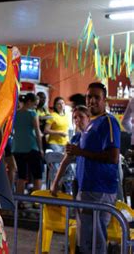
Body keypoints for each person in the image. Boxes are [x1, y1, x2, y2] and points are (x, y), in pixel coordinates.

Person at [65, 82, 120, 254]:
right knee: (86, 241)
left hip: (100, 191)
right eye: (89, 97)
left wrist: (80, 151)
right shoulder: (91, 123)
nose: (92, 101)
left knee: (96, 242)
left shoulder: (108, 122)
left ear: (105, 100)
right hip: (86, 189)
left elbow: (113, 157)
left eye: (97, 97)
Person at [50, 105, 90, 196]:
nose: (77, 120)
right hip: (79, 179)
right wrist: (55, 183)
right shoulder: (76, 138)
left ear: (88, 118)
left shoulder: (94, 136)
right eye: (75, 117)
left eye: (81, 116)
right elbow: (65, 161)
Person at [12, 93, 44, 196]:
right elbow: (37, 132)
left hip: (17, 148)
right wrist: (41, 149)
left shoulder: (15, 114)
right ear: (29, 102)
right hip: (31, 147)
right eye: (35, 104)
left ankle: (18, 202)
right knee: (37, 175)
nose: (35, 107)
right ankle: (36, 201)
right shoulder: (32, 113)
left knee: (21, 176)